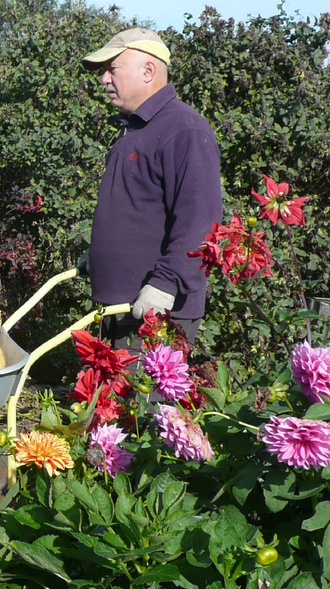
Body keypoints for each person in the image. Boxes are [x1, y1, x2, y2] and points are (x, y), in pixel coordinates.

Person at [76, 27, 223, 351]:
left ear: (148, 70)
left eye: (112, 69)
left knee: (146, 402)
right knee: (106, 401)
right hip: (119, 308)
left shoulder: (183, 129)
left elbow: (202, 220)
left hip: (156, 311)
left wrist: (166, 282)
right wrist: (99, 255)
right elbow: (137, 208)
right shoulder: (136, 129)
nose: (104, 79)